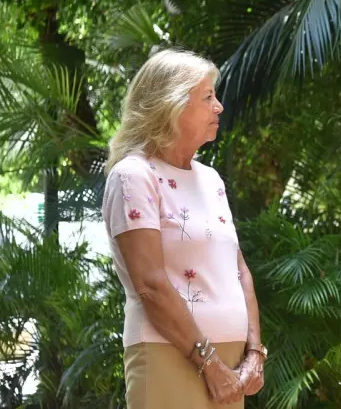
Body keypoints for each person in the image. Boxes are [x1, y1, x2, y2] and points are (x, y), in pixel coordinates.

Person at [101, 49, 267, 408]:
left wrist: (255, 353)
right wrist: (210, 365)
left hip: (230, 366)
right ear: (170, 105)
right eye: (207, 97)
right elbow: (150, 285)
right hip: (170, 357)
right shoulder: (133, 176)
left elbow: (239, 271)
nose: (219, 106)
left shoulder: (211, 179)